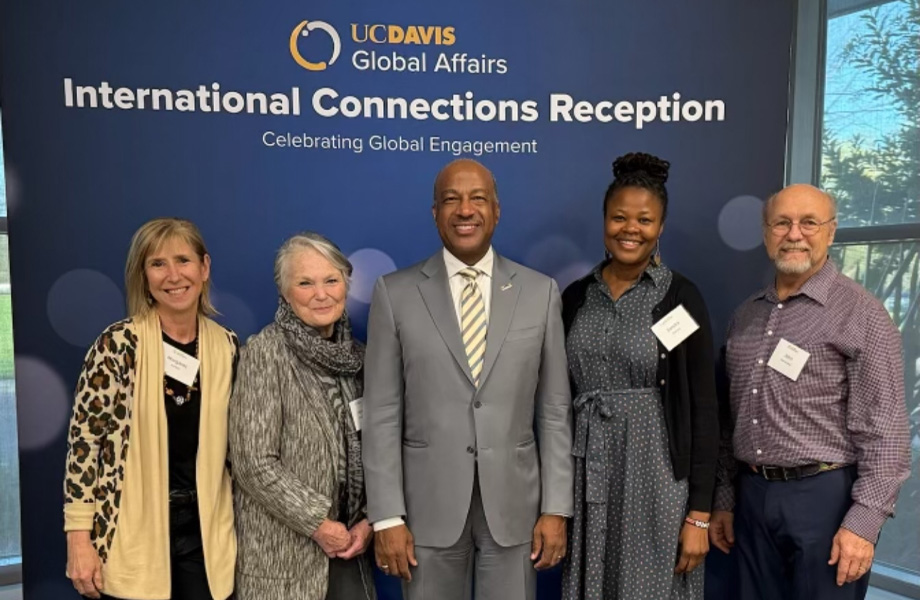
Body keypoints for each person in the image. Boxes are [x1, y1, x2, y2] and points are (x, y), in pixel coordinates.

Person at [362, 158, 574, 600]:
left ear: (496, 210)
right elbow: (381, 413)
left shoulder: (540, 293)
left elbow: (554, 411)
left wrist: (556, 507)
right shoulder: (394, 293)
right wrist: (386, 516)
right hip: (425, 511)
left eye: (477, 198)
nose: (465, 210)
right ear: (435, 213)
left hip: (515, 510)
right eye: (451, 200)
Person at [709, 184, 911, 600]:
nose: (794, 234)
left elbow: (886, 431)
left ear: (831, 233)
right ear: (766, 234)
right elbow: (729, 420)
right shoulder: (745, 316)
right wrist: (726, 499)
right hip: (752, 497)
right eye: (782, 223)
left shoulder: (863, 314)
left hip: (825, 500)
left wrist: (863, 523)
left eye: (809, 223)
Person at [559, 152, 719, 600]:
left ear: (661, 227)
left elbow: (704, 411)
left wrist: (699, 515)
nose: (630, 229)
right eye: (619, 217)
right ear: (604, 220)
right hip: (587, 474)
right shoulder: (576, 298)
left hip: (657, 478)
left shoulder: (680, 297)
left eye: (645, 219)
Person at [63, 218, 238, 600]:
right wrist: (79, 539)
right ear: (143, 276)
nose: (173, 275)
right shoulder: (117, 345)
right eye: (157, 264)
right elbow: (84, 446)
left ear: (204, 268)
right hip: (131, 538)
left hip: (206, 540)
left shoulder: (228, 347)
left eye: (183, 260)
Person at [228, 232, 375, 600]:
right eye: (305, 283)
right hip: (287, 562)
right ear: (285, 292)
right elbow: (253, 463)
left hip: (352, 550)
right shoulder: (266, 354)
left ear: (346, 283)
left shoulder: (362, 358)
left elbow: (384, 448)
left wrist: (370, 520)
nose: (321, 294)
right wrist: (319, 525)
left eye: (331, 280)